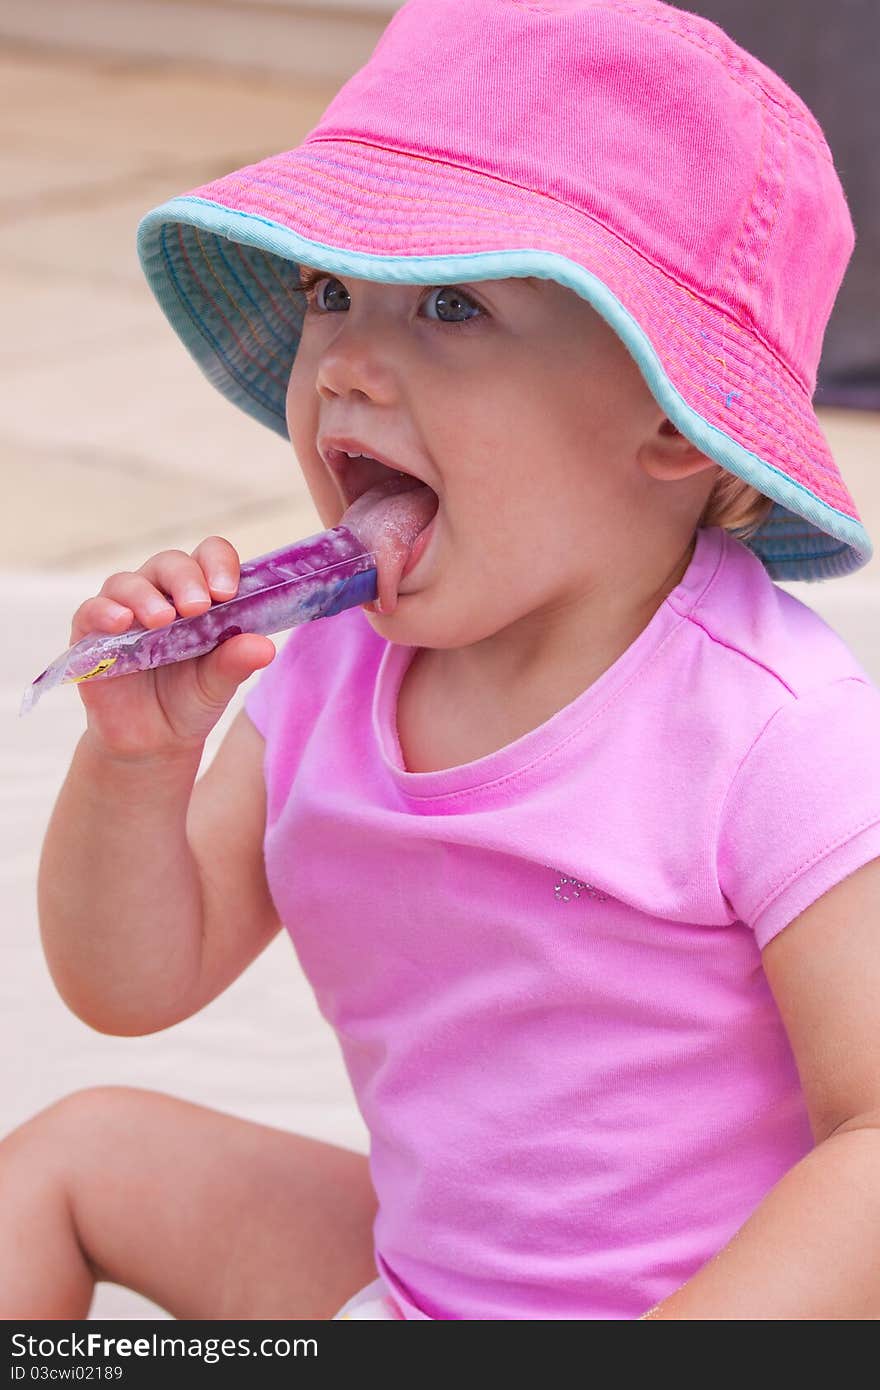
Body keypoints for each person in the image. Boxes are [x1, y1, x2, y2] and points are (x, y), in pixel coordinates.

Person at [3, 0, 880, 1321]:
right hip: (424, 1291)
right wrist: (137, 766)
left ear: (674, 419)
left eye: (453, 305)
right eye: (328, 291)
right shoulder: (320, 672)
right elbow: (134, 982)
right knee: (69, 1158)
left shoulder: (775, 732)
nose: (348, 360)